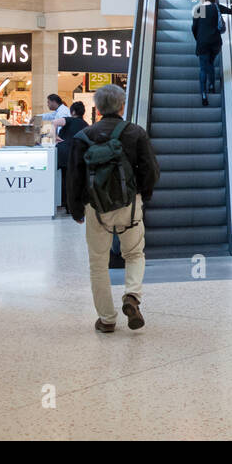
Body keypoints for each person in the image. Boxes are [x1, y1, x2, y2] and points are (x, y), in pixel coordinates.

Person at [66, 84, 159, 334]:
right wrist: (142, 195)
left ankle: (107, 319)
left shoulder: (83, 137)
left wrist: (76, 210)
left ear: (97, 108)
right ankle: (132, 295)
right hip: (129, 204)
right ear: (121, 106)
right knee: (134, 254)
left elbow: (74, 177)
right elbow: (150, 169)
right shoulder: (135, 133)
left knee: (98, 263)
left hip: (95, 207)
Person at [191, 0, 232, 105]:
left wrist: (199, 39)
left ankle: (204, 94)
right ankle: (212, 85)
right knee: (210, 63)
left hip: (203, 43)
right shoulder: (216, 7)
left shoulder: (199, 9)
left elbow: (194, 28)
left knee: (203, 68)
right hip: (215, 42)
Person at [56, 101, 88, 190]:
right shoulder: (86, 125)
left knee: (63, 178)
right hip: (77, 156)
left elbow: (54, 122)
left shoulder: (69, 120)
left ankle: (63, 200)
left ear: (73, 112)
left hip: (64, 154)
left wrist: (55, 137)